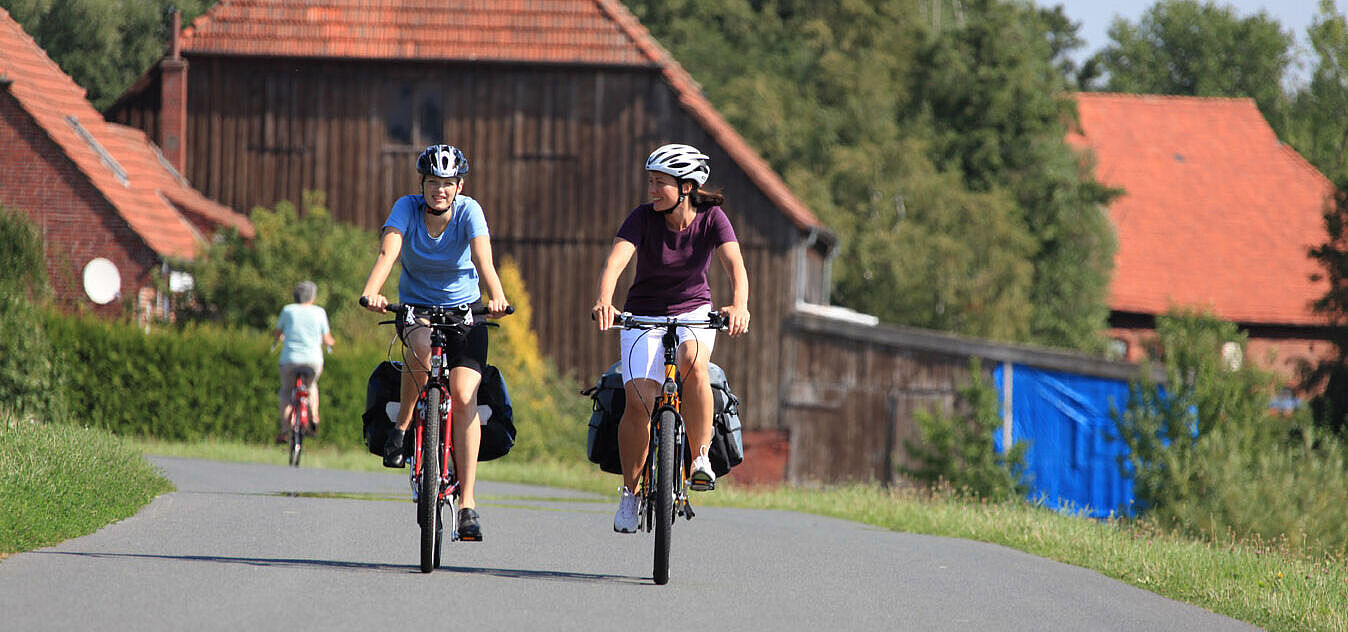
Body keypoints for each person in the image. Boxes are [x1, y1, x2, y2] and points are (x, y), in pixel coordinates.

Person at [592, 143, 750, 534]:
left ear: (686, 187)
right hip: (642, 315)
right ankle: (630, 493)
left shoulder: (712, 218)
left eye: (659, 183)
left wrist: (739, 305)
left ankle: (699, 460)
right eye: (651, 181)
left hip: (693, 313)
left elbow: (736, 266)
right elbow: (616, 261)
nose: (651, 190)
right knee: (639, 399)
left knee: (694, 365)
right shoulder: (642, 218)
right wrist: (604, 300)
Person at [359, 143, 510, 541]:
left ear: (458, 186)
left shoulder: (468, 211)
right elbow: (388, 252)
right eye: (432, 182)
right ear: (421, 184)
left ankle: (468, 504)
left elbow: (483, 259)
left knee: (463, 396)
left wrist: (496, 297)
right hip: (417, 307)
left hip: (466, 312)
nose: (439, 190)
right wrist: (372, 291)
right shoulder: (406, 209)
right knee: (421, 349)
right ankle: (404, 425)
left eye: (447, 183)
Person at [273, 280, 335, 442]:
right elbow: (327, 339)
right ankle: (314, 416)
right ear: (313, 297)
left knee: (287, 392)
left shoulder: (288, 310)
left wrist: (280, 338)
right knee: (311, 386)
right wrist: (331, 343)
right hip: (313, 360)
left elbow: (277, 333)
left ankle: (284, 430)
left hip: (289, 360)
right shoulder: (319, 312)